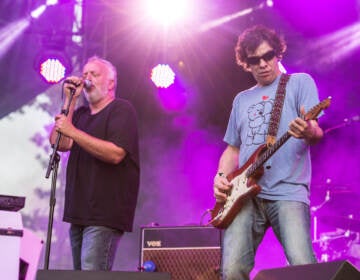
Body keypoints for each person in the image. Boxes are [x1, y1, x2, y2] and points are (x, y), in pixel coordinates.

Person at [213, 25, 324, 279]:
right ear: (245, 64)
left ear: (278, 54)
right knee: (231, 271)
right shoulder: (241, 100)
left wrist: (307, 129)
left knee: (303, 267)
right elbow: (233, 149)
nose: (263, 63)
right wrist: (220, 175)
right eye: (255, 60)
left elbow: (317, 132)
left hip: (288, 190)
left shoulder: (298, 83)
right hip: (244, 195)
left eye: (268, 56)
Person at [49, 56, 140, 270]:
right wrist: (68, 101)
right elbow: (59, 143)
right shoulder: (79, 114)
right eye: (85, 74)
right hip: (78, 211)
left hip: (104, 214)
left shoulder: (121, 110)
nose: (87, 78)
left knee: (93, 272)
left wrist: (73, 132)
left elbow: (116, 153)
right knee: (81, 274)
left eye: (94, 74)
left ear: (110, 83)